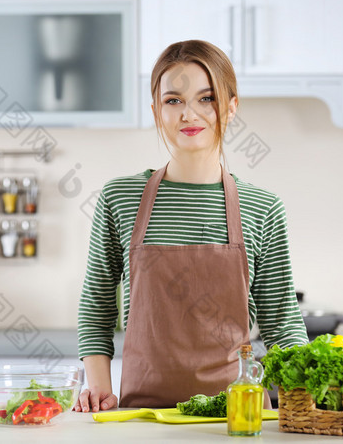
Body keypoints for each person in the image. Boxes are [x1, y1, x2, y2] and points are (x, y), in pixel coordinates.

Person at [74, 40, 308, 413]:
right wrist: (100, 389)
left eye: (206, 98)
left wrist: (307, 399)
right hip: (143, 419)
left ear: (231, 107)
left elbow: (282, 323)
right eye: (173, 101)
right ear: (156, 111)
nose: (189, 115)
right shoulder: (120, 197)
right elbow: (97, 305)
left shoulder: (263, 208)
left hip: (238, 418)